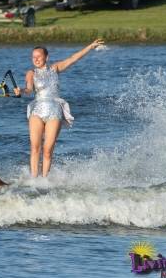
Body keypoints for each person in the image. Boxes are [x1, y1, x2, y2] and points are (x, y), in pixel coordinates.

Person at [14, 39, 104, 178]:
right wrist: (21, 90)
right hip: (37, 110)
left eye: (39, 56)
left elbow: (73, 58)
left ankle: (44, 179)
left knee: (48, 150)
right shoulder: (31, 73)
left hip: (54, 111)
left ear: (46, 57)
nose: (36, 59)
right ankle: (33, 179)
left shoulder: (55, 68)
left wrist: (90, 47)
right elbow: (29, 89)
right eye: (33, 57)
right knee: (35, 147)